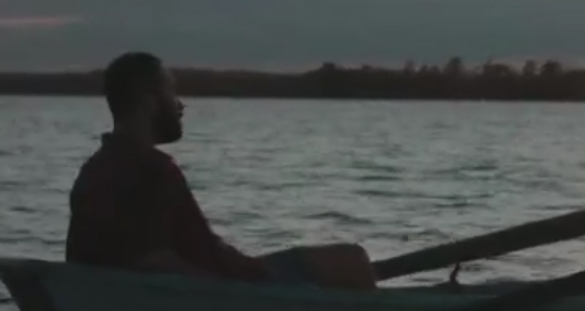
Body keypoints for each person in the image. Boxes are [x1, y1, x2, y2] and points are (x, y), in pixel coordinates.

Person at [63, 51, 378, 290]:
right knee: (352, 260)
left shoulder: (94, 169)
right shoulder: (151, 169)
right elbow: (154, 261)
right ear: (148, 101)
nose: (180, 105)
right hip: (235, 287)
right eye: (171, 93)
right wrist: (226, 290)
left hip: (222, 276)